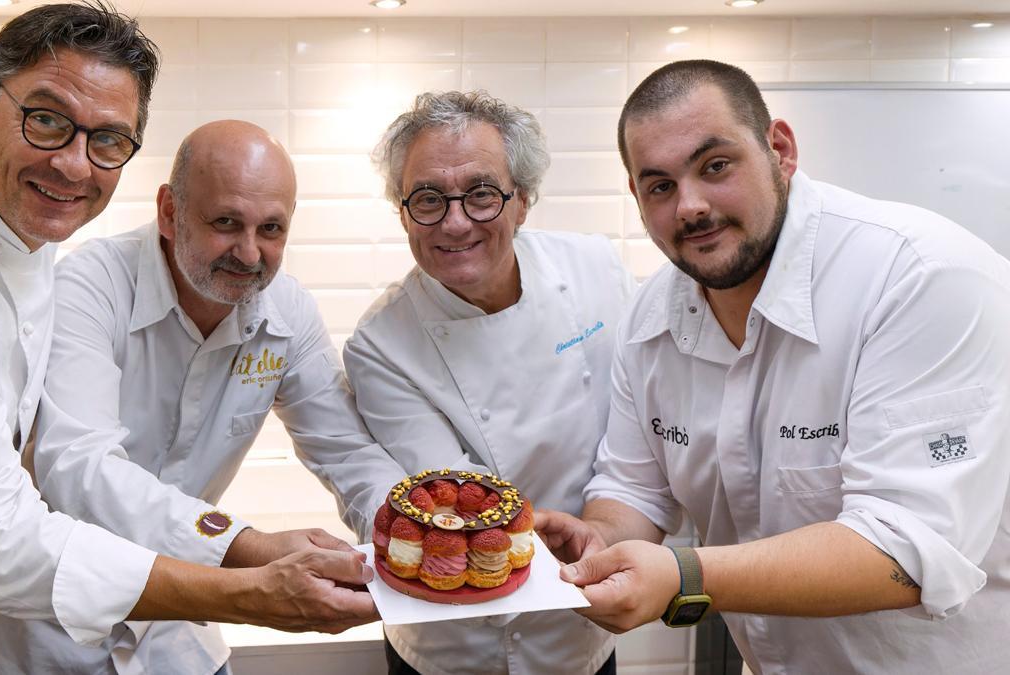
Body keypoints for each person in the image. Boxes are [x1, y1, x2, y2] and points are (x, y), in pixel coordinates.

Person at [0, 6, 374, 674]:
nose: (75, 166)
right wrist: (244, 585)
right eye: (46, 120)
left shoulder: (25, 227)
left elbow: (344, 443)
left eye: (108, 140)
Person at [535, 59, 1010, 673]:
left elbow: (909, 547)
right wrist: (600, 540)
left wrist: (684, 575)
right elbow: (635, 487)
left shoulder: (919, 277)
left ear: (779, 149)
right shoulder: (651, 317)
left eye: (715, 166)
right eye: (659, 186)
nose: (691, 207)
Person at [0, 120, 408, 674]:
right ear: (169, 211)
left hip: (178, 634)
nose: (249, 253)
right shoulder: (91, 286)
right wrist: (249, 548)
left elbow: (347, 450)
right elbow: (77, 467)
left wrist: (405, 531)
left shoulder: (287, 312)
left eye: (271, 228)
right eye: (226, 222)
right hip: (53, 629)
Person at [343, 90, 634, 675]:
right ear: (402, 212)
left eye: (481, 195)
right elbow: (452, 503)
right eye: (427, 199)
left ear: (523, 200)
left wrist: (610, 532)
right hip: (449, 637)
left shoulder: (596, 271)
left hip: (580, 617)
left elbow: (633, 437)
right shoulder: (381, 344)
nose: (455, 223)